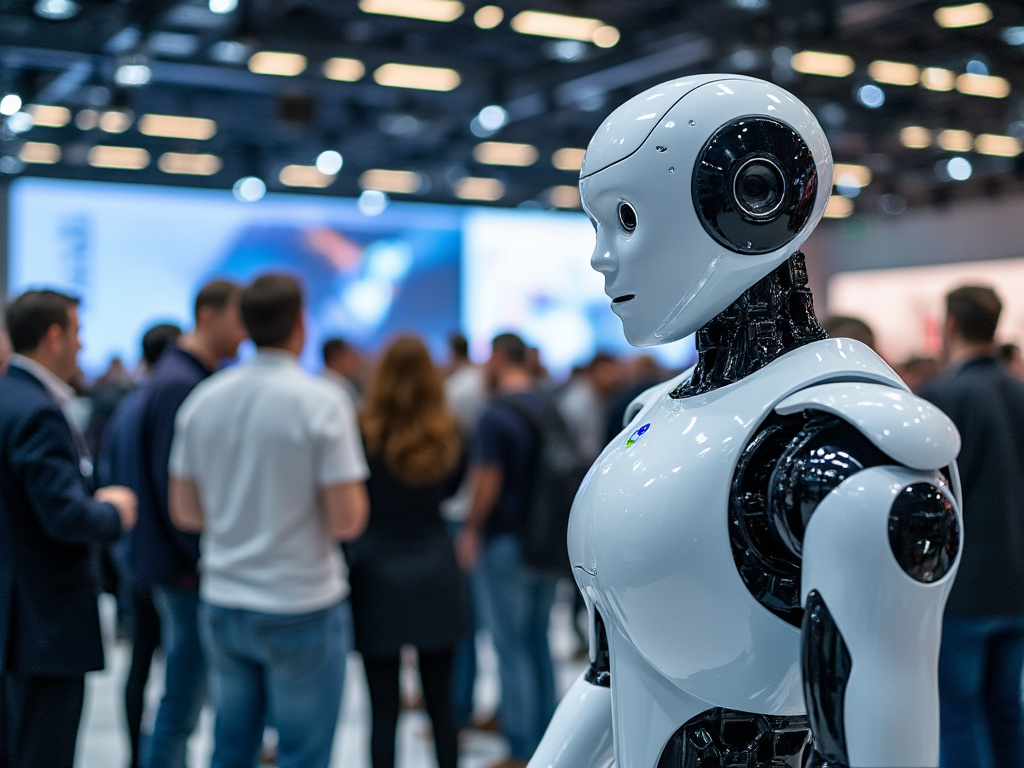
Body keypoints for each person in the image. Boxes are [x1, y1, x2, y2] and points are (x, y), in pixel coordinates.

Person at [529, 74, 962, 768]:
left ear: (750, 197)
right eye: (596, 224)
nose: (600, 256)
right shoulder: (655, 416)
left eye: (628, 218)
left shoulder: (840, 448)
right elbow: (610, 673)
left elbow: (877, 738)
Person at [168, 273, 370, 768]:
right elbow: (348, 521)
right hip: (300, 602)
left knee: (231, 747)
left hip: (224, 598)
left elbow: (185, 513)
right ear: (301, 324)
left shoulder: (203, 400)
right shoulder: (322, 401)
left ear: (243, 323)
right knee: (302, 753)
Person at [0, 289, 137, 768]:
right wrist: (115, 512)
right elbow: (64, 517)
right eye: (77, 333)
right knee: (44, 750)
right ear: (54, 336)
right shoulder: (36, 410)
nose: (82, 346)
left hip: (22, 615)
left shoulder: (10, 396)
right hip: (45, 619)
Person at [134, 280, 245, 768]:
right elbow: (174, 489)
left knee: (182, 699)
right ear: (208, 315)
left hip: (177, 564)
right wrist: (202, 557)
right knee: (181, 703)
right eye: (238, 318)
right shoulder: (183, 383)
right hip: (185, 570)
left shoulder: (179, 376)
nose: (244, 332)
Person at [348, 334, 471, 768]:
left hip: (375, 568)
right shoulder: (448, 431)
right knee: (442, 707)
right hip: (435, 565)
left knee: (381, 710)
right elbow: (454, 488)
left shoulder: (362, 431)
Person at [919, 285, 1024, 768]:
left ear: (951, 326)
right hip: (1017, 584)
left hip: (964, 588)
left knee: (957, 719)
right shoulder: (1018, 390)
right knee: (1008, 713)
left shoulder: (943, 395)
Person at [457, 332, 559, 768]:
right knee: (538, 643)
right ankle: (549, 741)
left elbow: (487, 480)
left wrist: (470, 527)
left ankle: (520, 749)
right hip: (546, 540)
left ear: (499, 357)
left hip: (505, 542)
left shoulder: (495, 413)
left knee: (510, 647)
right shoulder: (546, 403)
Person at [96, 322, 183, 768]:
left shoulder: (128, 406)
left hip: (133, 553)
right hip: (164, 559)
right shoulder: (164, 403)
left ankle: (137, 756)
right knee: (176, 678)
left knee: (142, 665)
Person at [321, 336, 364, 406]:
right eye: (349, 354)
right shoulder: (333, 389)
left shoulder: (345, 385)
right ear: (336, 357)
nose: (356, 358)